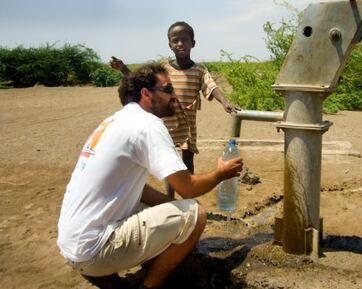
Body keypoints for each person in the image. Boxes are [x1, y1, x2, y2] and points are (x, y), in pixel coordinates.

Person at [57, 63, 243, 289]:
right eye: (167, 90)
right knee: (195, 215)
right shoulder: (148, 125)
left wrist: (172, 205)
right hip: (94, 251)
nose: (174, 96)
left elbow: (138, 189)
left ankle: (113, 281)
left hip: (71, 247)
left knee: (163, 208)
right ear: (146, 94)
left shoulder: (114, 120)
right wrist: (220, 174)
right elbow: (189, 188)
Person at [110, 21, 240, 197]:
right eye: (175, 40)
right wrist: (123, 68)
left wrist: (225, 102)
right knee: (169, 163)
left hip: (188, 123)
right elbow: (140, 80)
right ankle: (170, 198)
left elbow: (211, 86)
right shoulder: (164, 68)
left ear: (193, 43)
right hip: (166, 122)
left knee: (188, 160)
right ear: (170, 45)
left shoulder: (199, 70)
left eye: (185, 40)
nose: (180, 44)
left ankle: (189, 195)